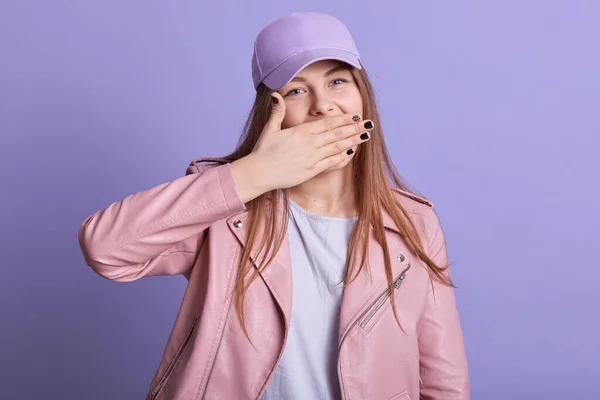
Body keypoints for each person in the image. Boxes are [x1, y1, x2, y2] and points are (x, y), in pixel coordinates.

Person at [78, 11, 469, 400]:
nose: (323, 106)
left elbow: (443, 381)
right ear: (272, 111)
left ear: (362, 95)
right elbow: (105, 250)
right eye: (297, 90)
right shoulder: (227, 211)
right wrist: (255, 173)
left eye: (337, 81)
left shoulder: (414, 224)